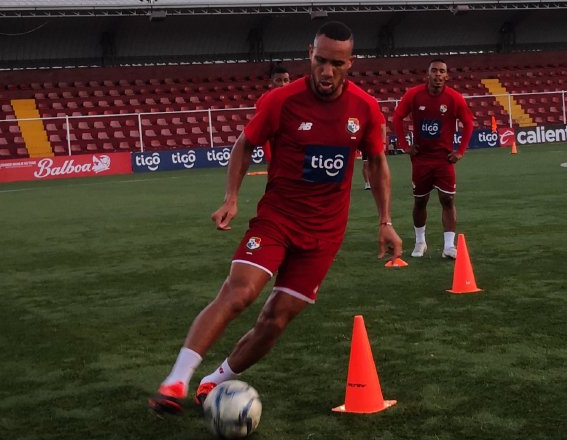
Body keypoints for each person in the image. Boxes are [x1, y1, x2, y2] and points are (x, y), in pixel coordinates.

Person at [149, 21, 402, 415]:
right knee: (240, 292)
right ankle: (176, 379)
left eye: (336, 64)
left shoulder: (365, 109)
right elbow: (244, 145)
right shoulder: (281, 100)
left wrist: (385, 220)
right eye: (320, 60)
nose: (326, 71)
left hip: (324, 235)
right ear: (309, 54)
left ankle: (215, 380)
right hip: (277, 221)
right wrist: (231, 197)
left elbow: (376, 162)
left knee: (275, 319)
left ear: (350, 63)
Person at [392, 59, 474, 259]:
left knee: (448, 199)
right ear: (427, 74)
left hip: (444, 159)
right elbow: (397, 118)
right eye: (434, 71)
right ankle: (420, 242)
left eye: (442, 71)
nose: (438, 75)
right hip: (421, 159)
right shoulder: (414, 95)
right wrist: (404, 145)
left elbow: (468, 123)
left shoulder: (454, 98)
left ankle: (449, 246)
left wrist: (460, 151)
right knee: (420, 201)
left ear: (447, 76)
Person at [257, 66, 291, 163]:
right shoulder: (263, 101)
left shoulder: (297, 100)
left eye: (286, 80)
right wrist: (270, 159)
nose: (283, 84)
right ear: (271, 82)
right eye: (278, 80)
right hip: (276, 156)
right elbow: (264, 135)